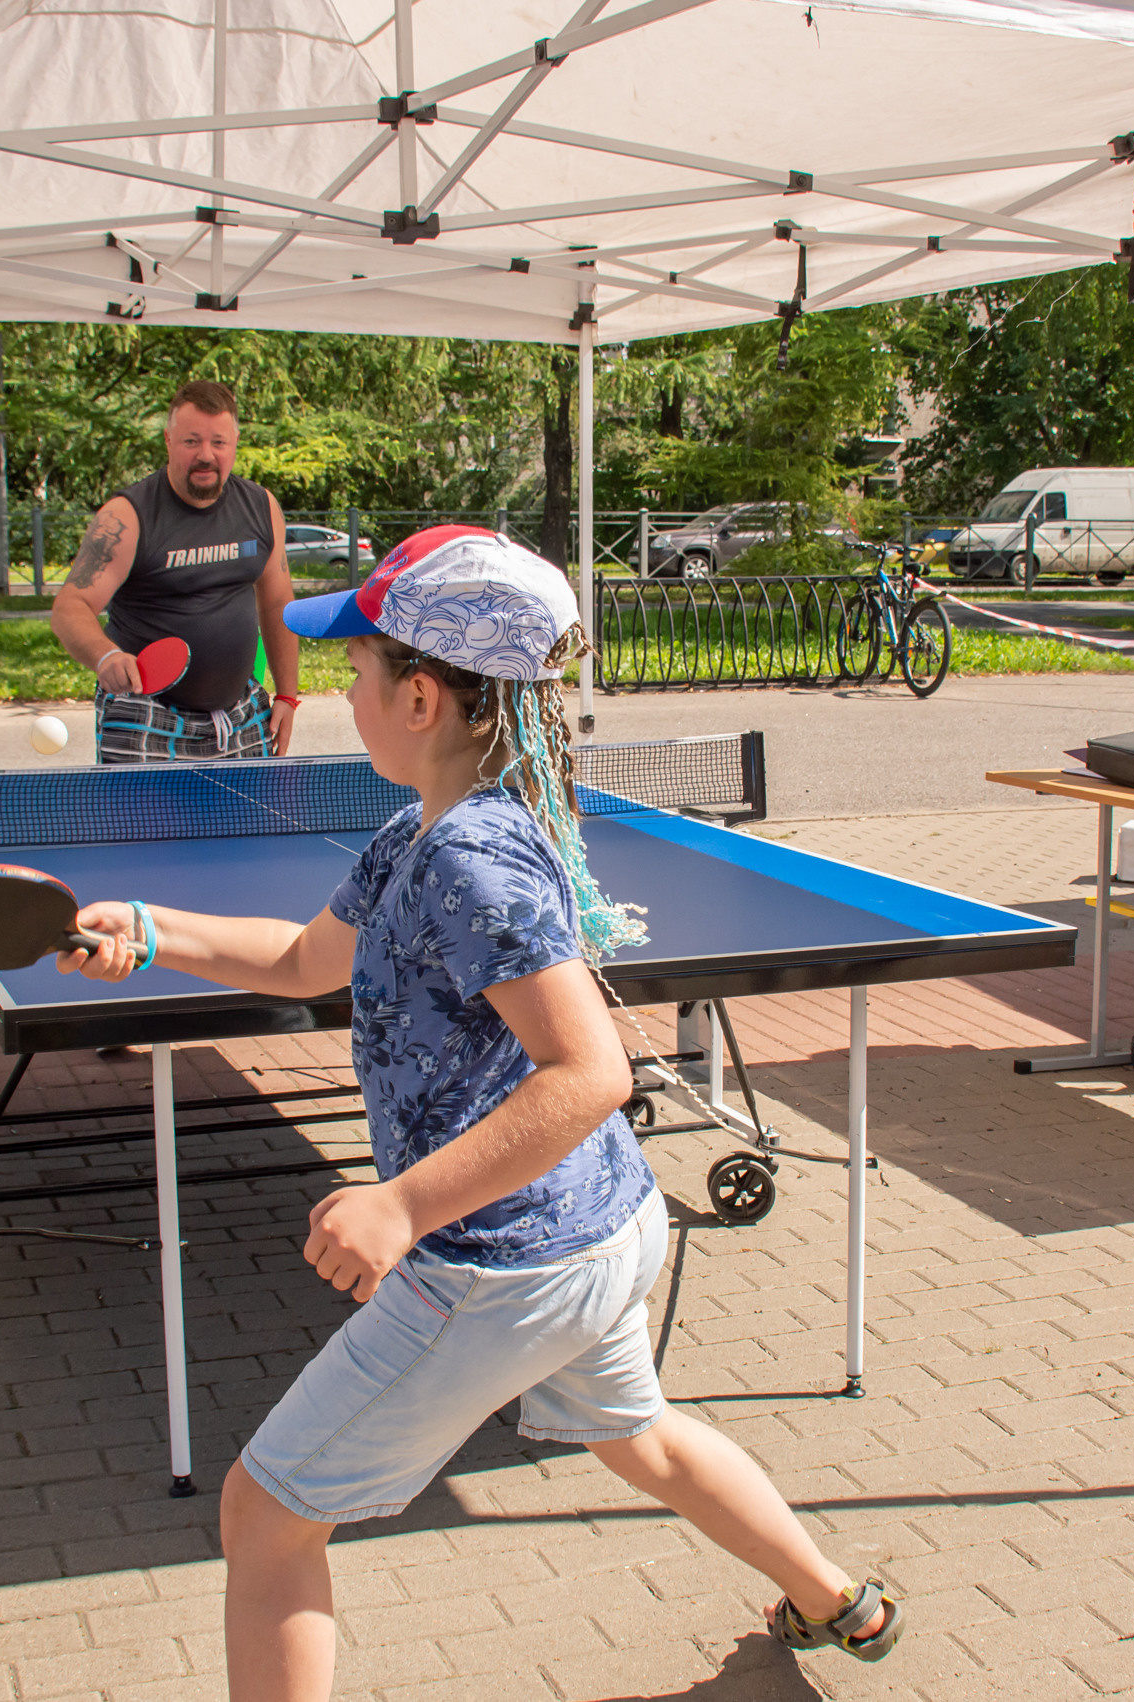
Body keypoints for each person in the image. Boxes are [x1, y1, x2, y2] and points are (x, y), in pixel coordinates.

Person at [54, 528, 903, 1700]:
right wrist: (152, 931)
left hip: (501, 1266)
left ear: (418, 696)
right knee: (638, 1437)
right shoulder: (426, 830)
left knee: (263, 1514)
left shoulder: (469, 857)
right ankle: (835, 1598)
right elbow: (309, 959)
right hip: (600, 1226)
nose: (338, 690)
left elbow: (591, 1071)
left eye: (353, 670)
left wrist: (402, 1202)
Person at [49, 379, 301, 763]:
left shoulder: (261, 507)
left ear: (234, 443)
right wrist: (105, 657)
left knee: (249, 825)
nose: (206, 454)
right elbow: (71, 606)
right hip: (145, 713)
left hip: (241, 716)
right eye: (191, 441)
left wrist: (286, 695)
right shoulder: (127, 517)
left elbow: (278, 603)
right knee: (140, 827)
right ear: (168, 441)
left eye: (218, 442)